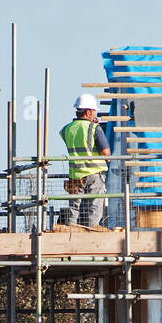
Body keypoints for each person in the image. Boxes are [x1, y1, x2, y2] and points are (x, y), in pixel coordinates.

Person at [59, 93, 111, 228]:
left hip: (75, 175)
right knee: (94, 206)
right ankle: (91, 233)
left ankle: (70, 231)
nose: (95, 115)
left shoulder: (67, 129)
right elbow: (106, 153)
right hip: (95, 173)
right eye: (94, 112)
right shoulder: (94, 128)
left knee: (74, 207)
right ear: (88, 112)